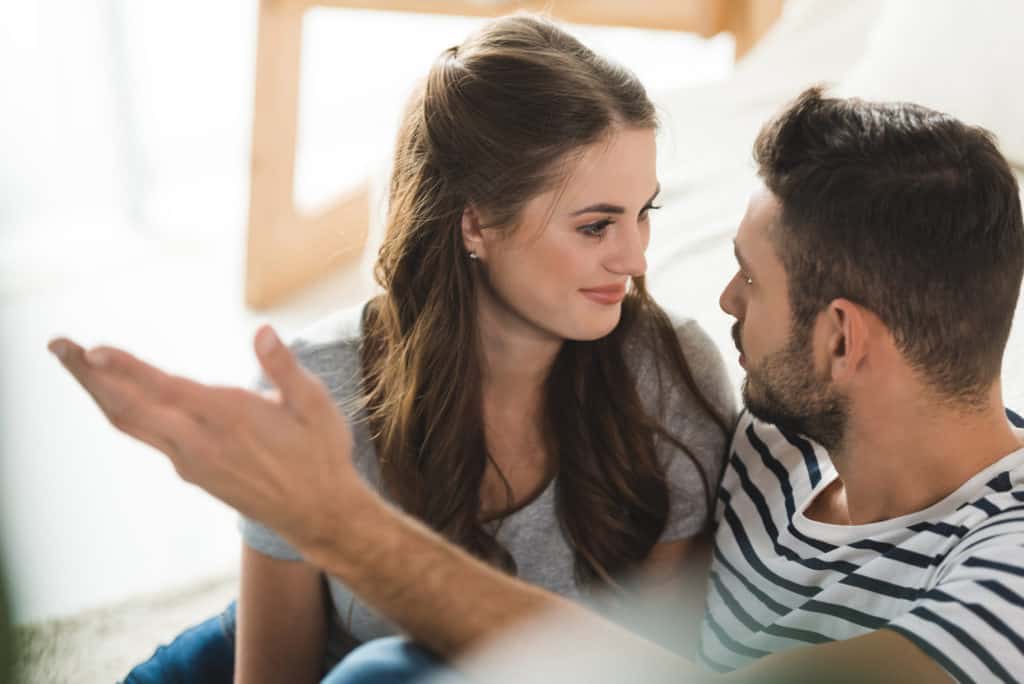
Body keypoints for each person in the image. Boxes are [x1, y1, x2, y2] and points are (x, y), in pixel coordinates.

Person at [49, 86, 1023, 684]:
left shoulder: (1005, 576)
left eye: (752, 281)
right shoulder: (782, 436)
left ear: (843, 338)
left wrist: (340, 522)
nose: (723, 299)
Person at [70, 14, 736, 683]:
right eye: (597, 226)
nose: (637, 258)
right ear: (475, 224)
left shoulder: (671, 377)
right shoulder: (325, 382)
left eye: (646, 211)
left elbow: (651, 672)